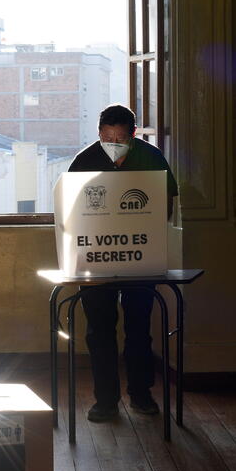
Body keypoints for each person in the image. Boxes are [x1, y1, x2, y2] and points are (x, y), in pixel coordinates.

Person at [67, 104, 178, 421]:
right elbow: (71, 213)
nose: (113, 143)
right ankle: (105, 401)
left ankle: (141, 395)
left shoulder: (151, 158)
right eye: (107, 137)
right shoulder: (85, 160)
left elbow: (166, 207)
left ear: (133, 135)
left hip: (140, 259)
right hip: (95, 260)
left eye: (120, 138)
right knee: (99, 332)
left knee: (139, 331)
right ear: (99, 134)